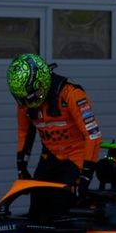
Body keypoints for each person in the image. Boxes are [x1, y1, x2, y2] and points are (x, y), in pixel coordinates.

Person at [7, 53, 102, 196]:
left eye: (30, 96)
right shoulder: (25, 103)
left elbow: (93, 135)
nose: (26, 103)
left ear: (41, 83)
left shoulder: (72, 95)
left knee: (63, 202)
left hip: (76, 157)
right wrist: (22, 167)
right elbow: (24, 132)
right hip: (50, 156)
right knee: (38, 201)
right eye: (22, 98)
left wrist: (86, 174)